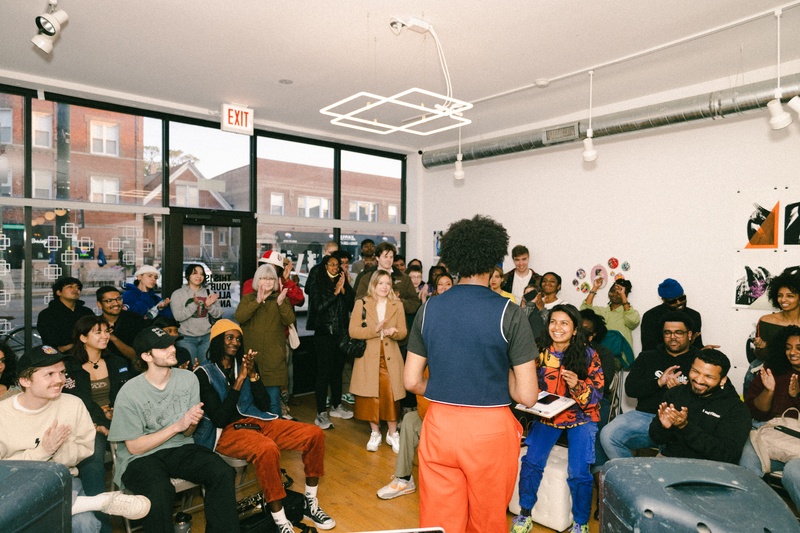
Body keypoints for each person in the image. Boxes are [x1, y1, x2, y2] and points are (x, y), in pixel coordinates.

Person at [404, 214, 538, 533]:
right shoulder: (510, 312)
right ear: (495, 262)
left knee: (440, 523)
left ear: (452, 262)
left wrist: (439, 387)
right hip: (490, 430)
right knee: (487, 522)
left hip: (439, 424)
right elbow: (528, 395)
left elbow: (410, 381)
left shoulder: (429, 309)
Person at [194, 319, 335, 532]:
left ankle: (310, 503)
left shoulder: (245, 364)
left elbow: (263, 403)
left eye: (238, 338)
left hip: (255, 420)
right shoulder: (203, 373)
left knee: (314, 434)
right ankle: (280, 520)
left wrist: (252, 376)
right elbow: (220, 418)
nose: (234, 342)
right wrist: (240, 379)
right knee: (266, 449)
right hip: (224, 431)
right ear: (216, 341)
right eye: (229, 337)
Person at [0, 346, 150, 532]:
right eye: (49, 374)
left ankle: (90, 503)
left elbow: (84, 449)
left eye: (62, 372)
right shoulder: (3, 414)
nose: (60, 380)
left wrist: (59, 449)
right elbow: (3, 470)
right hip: (14, 488)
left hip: (63, 480)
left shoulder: (73, 404)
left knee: (85, 524)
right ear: (25, 380)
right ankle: (97, 502)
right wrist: (43, 451)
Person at [108, 326, 240, 533]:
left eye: (171, 344)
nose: (172, 349)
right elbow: (134, 448)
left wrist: (191, 423)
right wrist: (177, 425)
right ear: (146, 356)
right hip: (140, 458)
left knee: (222, 471)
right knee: (159, 491)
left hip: (180, 446)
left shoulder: (188, 379)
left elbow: (187, 434)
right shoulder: (129, 392)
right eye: (163, 347)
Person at [512, 304, 604, 533]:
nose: (557, 327)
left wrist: (577, 385)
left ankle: (581, 523)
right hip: (547, 417)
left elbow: (597, 395)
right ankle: (525, 513)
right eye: (553, 321)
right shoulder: (538, 350)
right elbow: (525, 383)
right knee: (532, 462)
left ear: (574, 330)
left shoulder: (588, 354)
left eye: (564, 323)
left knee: (579, 471)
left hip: (581, 416)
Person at [598, 311, 699, 463]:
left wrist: (682, 390)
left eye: (679, 332)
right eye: (668, 333)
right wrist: (658, 382)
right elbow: (630, 389)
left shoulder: (699, 360)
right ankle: (634, 474)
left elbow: (711, 396)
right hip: (645, 416)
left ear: (689, 334)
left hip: (682, 420)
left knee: (672, 457)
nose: (673, 337)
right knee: (608, 435)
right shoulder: (647, 357)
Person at [63, 315, 133, 530]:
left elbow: (127, 394)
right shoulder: (70, 366)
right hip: (86, 423)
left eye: (106, 331)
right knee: (92, 459)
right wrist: (99, 420)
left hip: (118, 419)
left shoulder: (116, 362)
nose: (105, 336)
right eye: (98, 332)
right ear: (83, 337)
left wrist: (115, 413)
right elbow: (75, 401)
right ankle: (102, 526)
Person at [648, 350, 751, 464]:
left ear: (722, 380)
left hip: (712, 468)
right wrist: (663, 427)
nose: (699, 380)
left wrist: (685, 427)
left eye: (709, 376)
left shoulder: (736, 409)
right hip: (671, 459)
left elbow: (727, 454)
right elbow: (656, 438)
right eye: (695, 371)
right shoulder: (675, 394)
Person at [740, 325, 800, 508]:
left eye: (799, 347)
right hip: (766, 431)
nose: (792, 352)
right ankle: (752, 514)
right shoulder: (772, 369)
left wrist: (797, 395)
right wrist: (769, 390)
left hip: (796, 439)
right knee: (747, 466)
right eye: (788, 347)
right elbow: (755, 411)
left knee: (793, 472)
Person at [349, 271, 408, 452]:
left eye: (387, 283)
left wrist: (393, 332)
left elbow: (404, 331)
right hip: (369, 357)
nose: (384, 287)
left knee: (391, 395)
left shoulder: (397, 304)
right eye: (380, 283)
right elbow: (353, 331)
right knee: (370, 397)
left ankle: (392, 433)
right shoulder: (362, 303)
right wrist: (374, 330)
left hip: (390, 356)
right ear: (373, 284)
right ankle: (375, 433)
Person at [235, 264, 295, 416]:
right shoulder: (248, 298)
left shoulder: (281, 299)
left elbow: (290, 319)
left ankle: (277, 434)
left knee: (273, 400)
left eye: (271, 279)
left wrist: (281, 304)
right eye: (264, 278)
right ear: (257, 280)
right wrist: (257, 302)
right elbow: (240, 317)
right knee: (251, 400)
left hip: (273, 360)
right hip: (252, 360)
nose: (268, 282)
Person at [306, 254, 355, 429]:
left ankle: (336, 406)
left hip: (341, 334)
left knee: (337, 372)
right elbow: (318, 308)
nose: (335, 267)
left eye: (338, 265)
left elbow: (352, 305)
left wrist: (344, 289)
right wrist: (335, 293)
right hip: (324, 334)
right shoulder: (318, 283)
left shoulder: (342, 282)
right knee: (323, 373)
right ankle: (321, 413)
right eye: (332, 264)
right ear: (325, 266)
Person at [170, 263, 223, 364]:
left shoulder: (208, 293)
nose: (199, 276)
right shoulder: (178, 294)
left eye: (202, 274)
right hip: (186, 338)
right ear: (188, 276)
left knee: (206, 368)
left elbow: (218, 314)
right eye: (195, 273)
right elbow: (178, 316)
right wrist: (194, 305)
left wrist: (209, 306)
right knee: (189, 369)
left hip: (207, 337)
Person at [641, 278, 705, 351]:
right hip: (659, 360)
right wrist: (684, 343)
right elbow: (648, 349)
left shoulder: (694, 315)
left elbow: (697, 346)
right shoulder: (651, 316)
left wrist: (704, 350)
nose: (679, 303)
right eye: (672, 301)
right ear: (663, 300)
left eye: (682, 298)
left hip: (688, 360)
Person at [37, 276, 95, 353]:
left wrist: (70, 345)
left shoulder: (86, 312)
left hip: (88, 354)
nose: (76, 290)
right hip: (61, 358)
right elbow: (53, 344)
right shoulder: (47, 314)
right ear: (58, 292)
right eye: (70, 287)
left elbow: (95, 334)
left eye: (78, 287)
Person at [581, 277, 640, 351]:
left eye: (618, 292)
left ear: (625, 295)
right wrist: (595, 287)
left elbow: (633, 321)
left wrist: (623, 297)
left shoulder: (628, 313)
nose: (614, 294)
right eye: (612, 291)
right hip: (601, 357)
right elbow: (584, 312)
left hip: (621, 359)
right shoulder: (600, 311)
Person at [95, 285, 146, 365]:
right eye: (109, 301)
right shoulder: (95, 323)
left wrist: (113, 338)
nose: (116, 303)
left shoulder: (135, 320)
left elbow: (138, 357)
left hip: (132, 369)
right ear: (99, 304)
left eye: (119, 299)